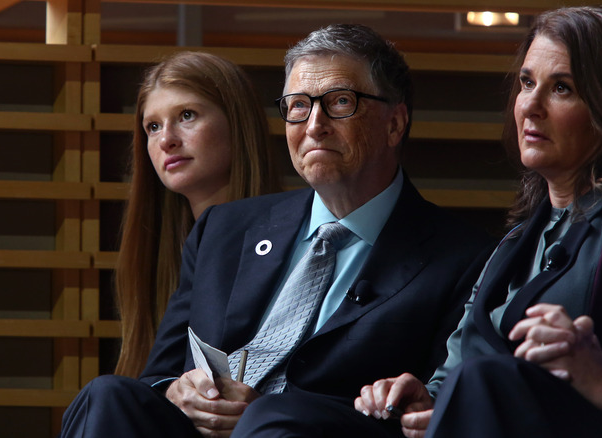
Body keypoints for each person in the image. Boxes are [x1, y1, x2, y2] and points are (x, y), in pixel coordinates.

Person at [58, 24, 491, 438]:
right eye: (299, 106)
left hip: (313, 430)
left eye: (340, 102)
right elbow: (158, 375)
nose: (314, 125)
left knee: (275, 415)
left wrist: (262, 413)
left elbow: (437, 409)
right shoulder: (224, 229)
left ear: (395, 124)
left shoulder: (464, 258)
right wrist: (177, 391)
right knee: (107, 394)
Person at [354, 6, 602, 438]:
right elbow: (457, 370)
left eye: (563, 88)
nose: (530, 105)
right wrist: (429, 401)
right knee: (286, 415)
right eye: (527, 82)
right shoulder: (514, 243)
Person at [113, 51, 282, 378]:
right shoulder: (154, 258)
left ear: (237, 123)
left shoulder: (302, 239)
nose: (166, 140)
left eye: (187, 115)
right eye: (153, 126)